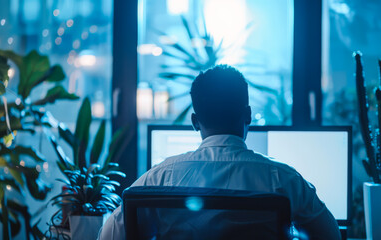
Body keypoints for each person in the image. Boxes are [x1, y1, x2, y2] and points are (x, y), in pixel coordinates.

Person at [98, 65, 341, 239]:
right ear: (247, 116)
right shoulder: (284, 180)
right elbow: (330, 235)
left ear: (194, 122)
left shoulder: (159, 178)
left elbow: (109, 236)